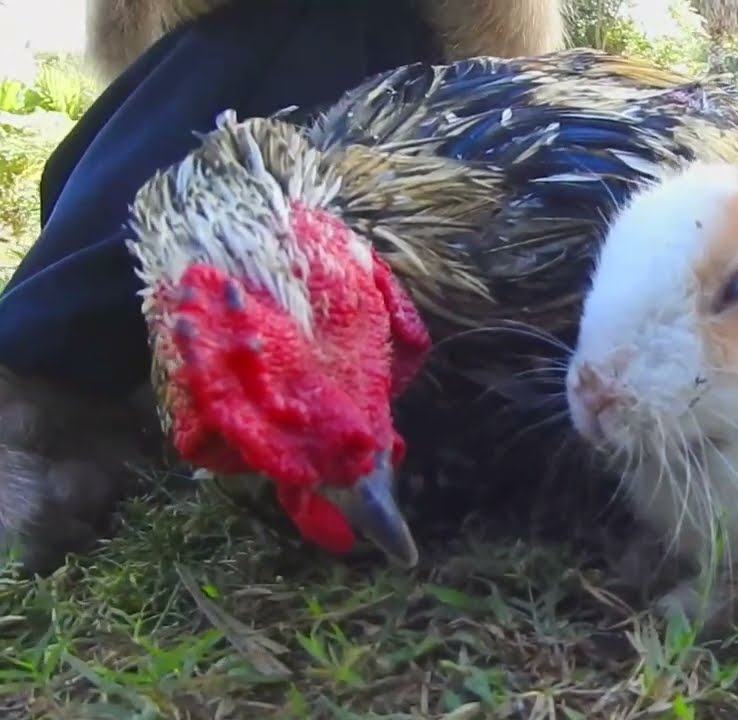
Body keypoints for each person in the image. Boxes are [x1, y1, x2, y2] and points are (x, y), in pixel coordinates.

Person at [0, 0, 565, 572]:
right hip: (202, 120)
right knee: (307, 26)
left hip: (413, 128)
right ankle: (34, 386)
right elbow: (131, 36)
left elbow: (505, 53)